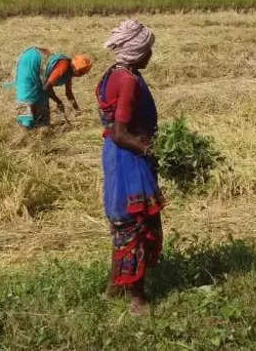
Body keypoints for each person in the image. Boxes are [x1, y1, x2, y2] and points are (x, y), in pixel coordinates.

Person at [96, 19, 162, 316]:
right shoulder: (128, 81)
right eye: (147, 50)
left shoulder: (118, 73)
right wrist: (150, 149)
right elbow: (122, 134)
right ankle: (138, 298)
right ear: (136, 52)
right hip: (128, 159)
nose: (150, 55)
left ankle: (113, 287)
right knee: (135, 226)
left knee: (125, 225)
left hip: (119, 155)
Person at [11, 47, 92, 128]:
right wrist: (58, 102)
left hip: (41, 72)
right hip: (30, 61)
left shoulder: (70, 72)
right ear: (76, 70)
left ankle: (40, 128)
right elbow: (47, 87)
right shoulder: (63, 66)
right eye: (81, 73)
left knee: (43, 116)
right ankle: (25, 128)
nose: (81, 76)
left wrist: (77, 110)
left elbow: (68, 93)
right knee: (28, 96)